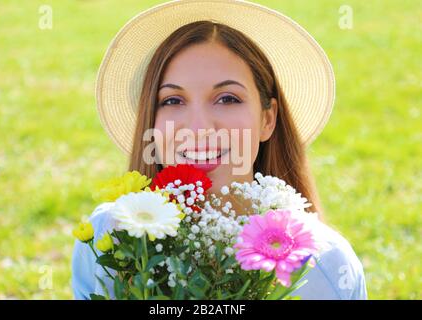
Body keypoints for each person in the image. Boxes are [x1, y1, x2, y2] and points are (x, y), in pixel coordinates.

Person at [72, 0, 367, 300]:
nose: (199, 128)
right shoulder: (107, 240)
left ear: (267, 119)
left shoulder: (326, 268)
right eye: (172, 101)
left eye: (227, 98)